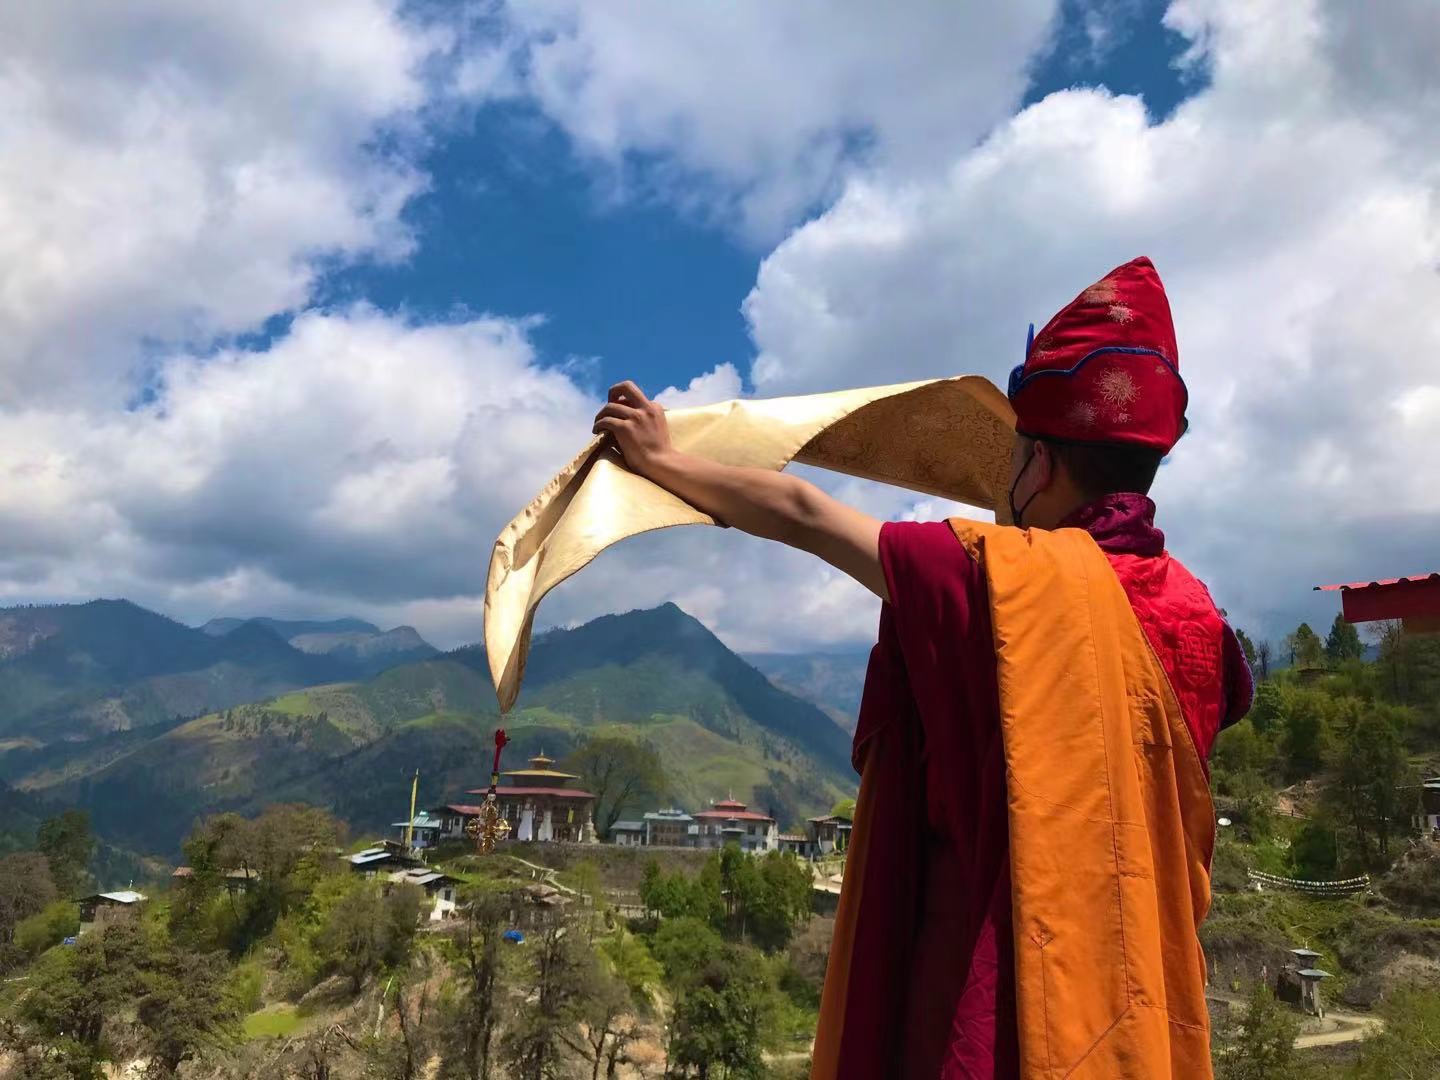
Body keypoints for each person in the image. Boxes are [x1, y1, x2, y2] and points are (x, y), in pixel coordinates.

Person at [592, 256, 1253, 1079]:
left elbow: (802, 512)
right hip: (1135, 990)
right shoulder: (1198, 618)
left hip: (991, 990)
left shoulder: (993, 576)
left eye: (1011, 460)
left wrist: (661, 459)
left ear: (1038, 466)